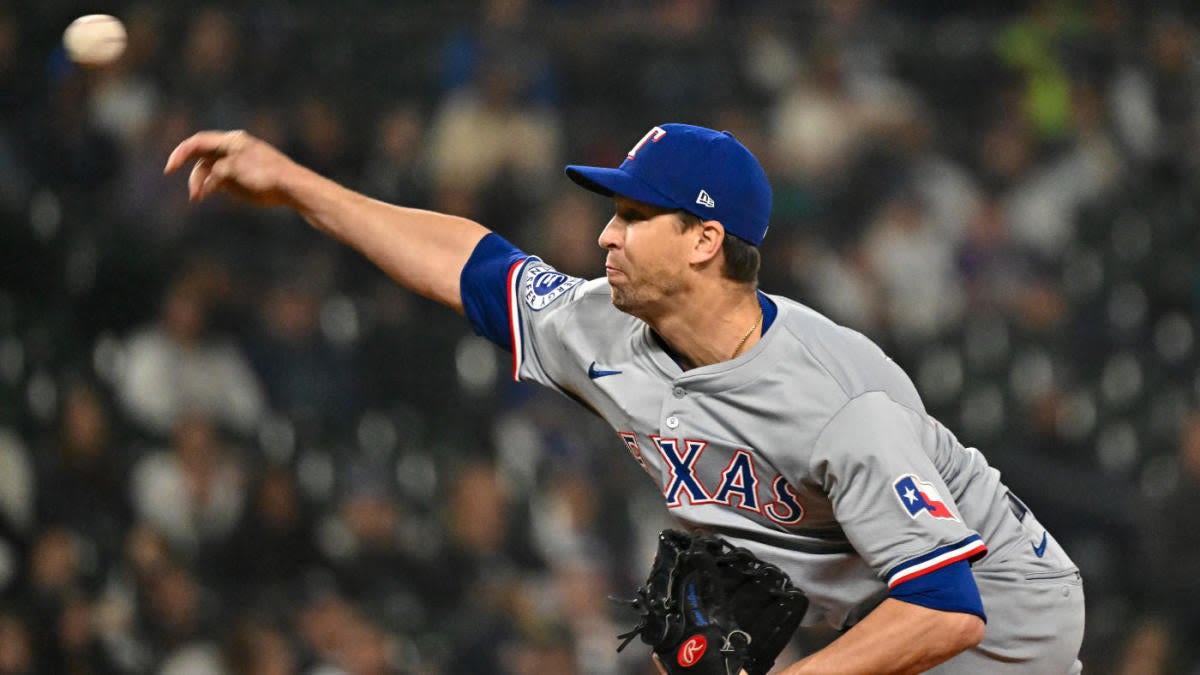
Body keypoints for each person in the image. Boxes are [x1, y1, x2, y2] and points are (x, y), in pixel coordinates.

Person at [164, 122, 1085, 673]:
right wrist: (292, 184)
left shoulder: (839, 399)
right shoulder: (605, 326)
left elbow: (946, 606)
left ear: (703, 241)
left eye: (634, 217)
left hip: (1003, 632)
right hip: (872, 607)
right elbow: (469, 263)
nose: (604, 235)